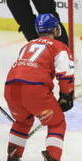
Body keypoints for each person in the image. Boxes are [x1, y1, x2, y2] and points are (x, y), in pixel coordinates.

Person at [4, 13, 74, 161]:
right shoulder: (59, 46)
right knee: (57, 122)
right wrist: (66, 96)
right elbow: (65, 74)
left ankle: (13, 156)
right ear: (55, 29)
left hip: (10, 89)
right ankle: (53, 157)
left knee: (22, 122)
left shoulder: (27, 45)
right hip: (34, 89)